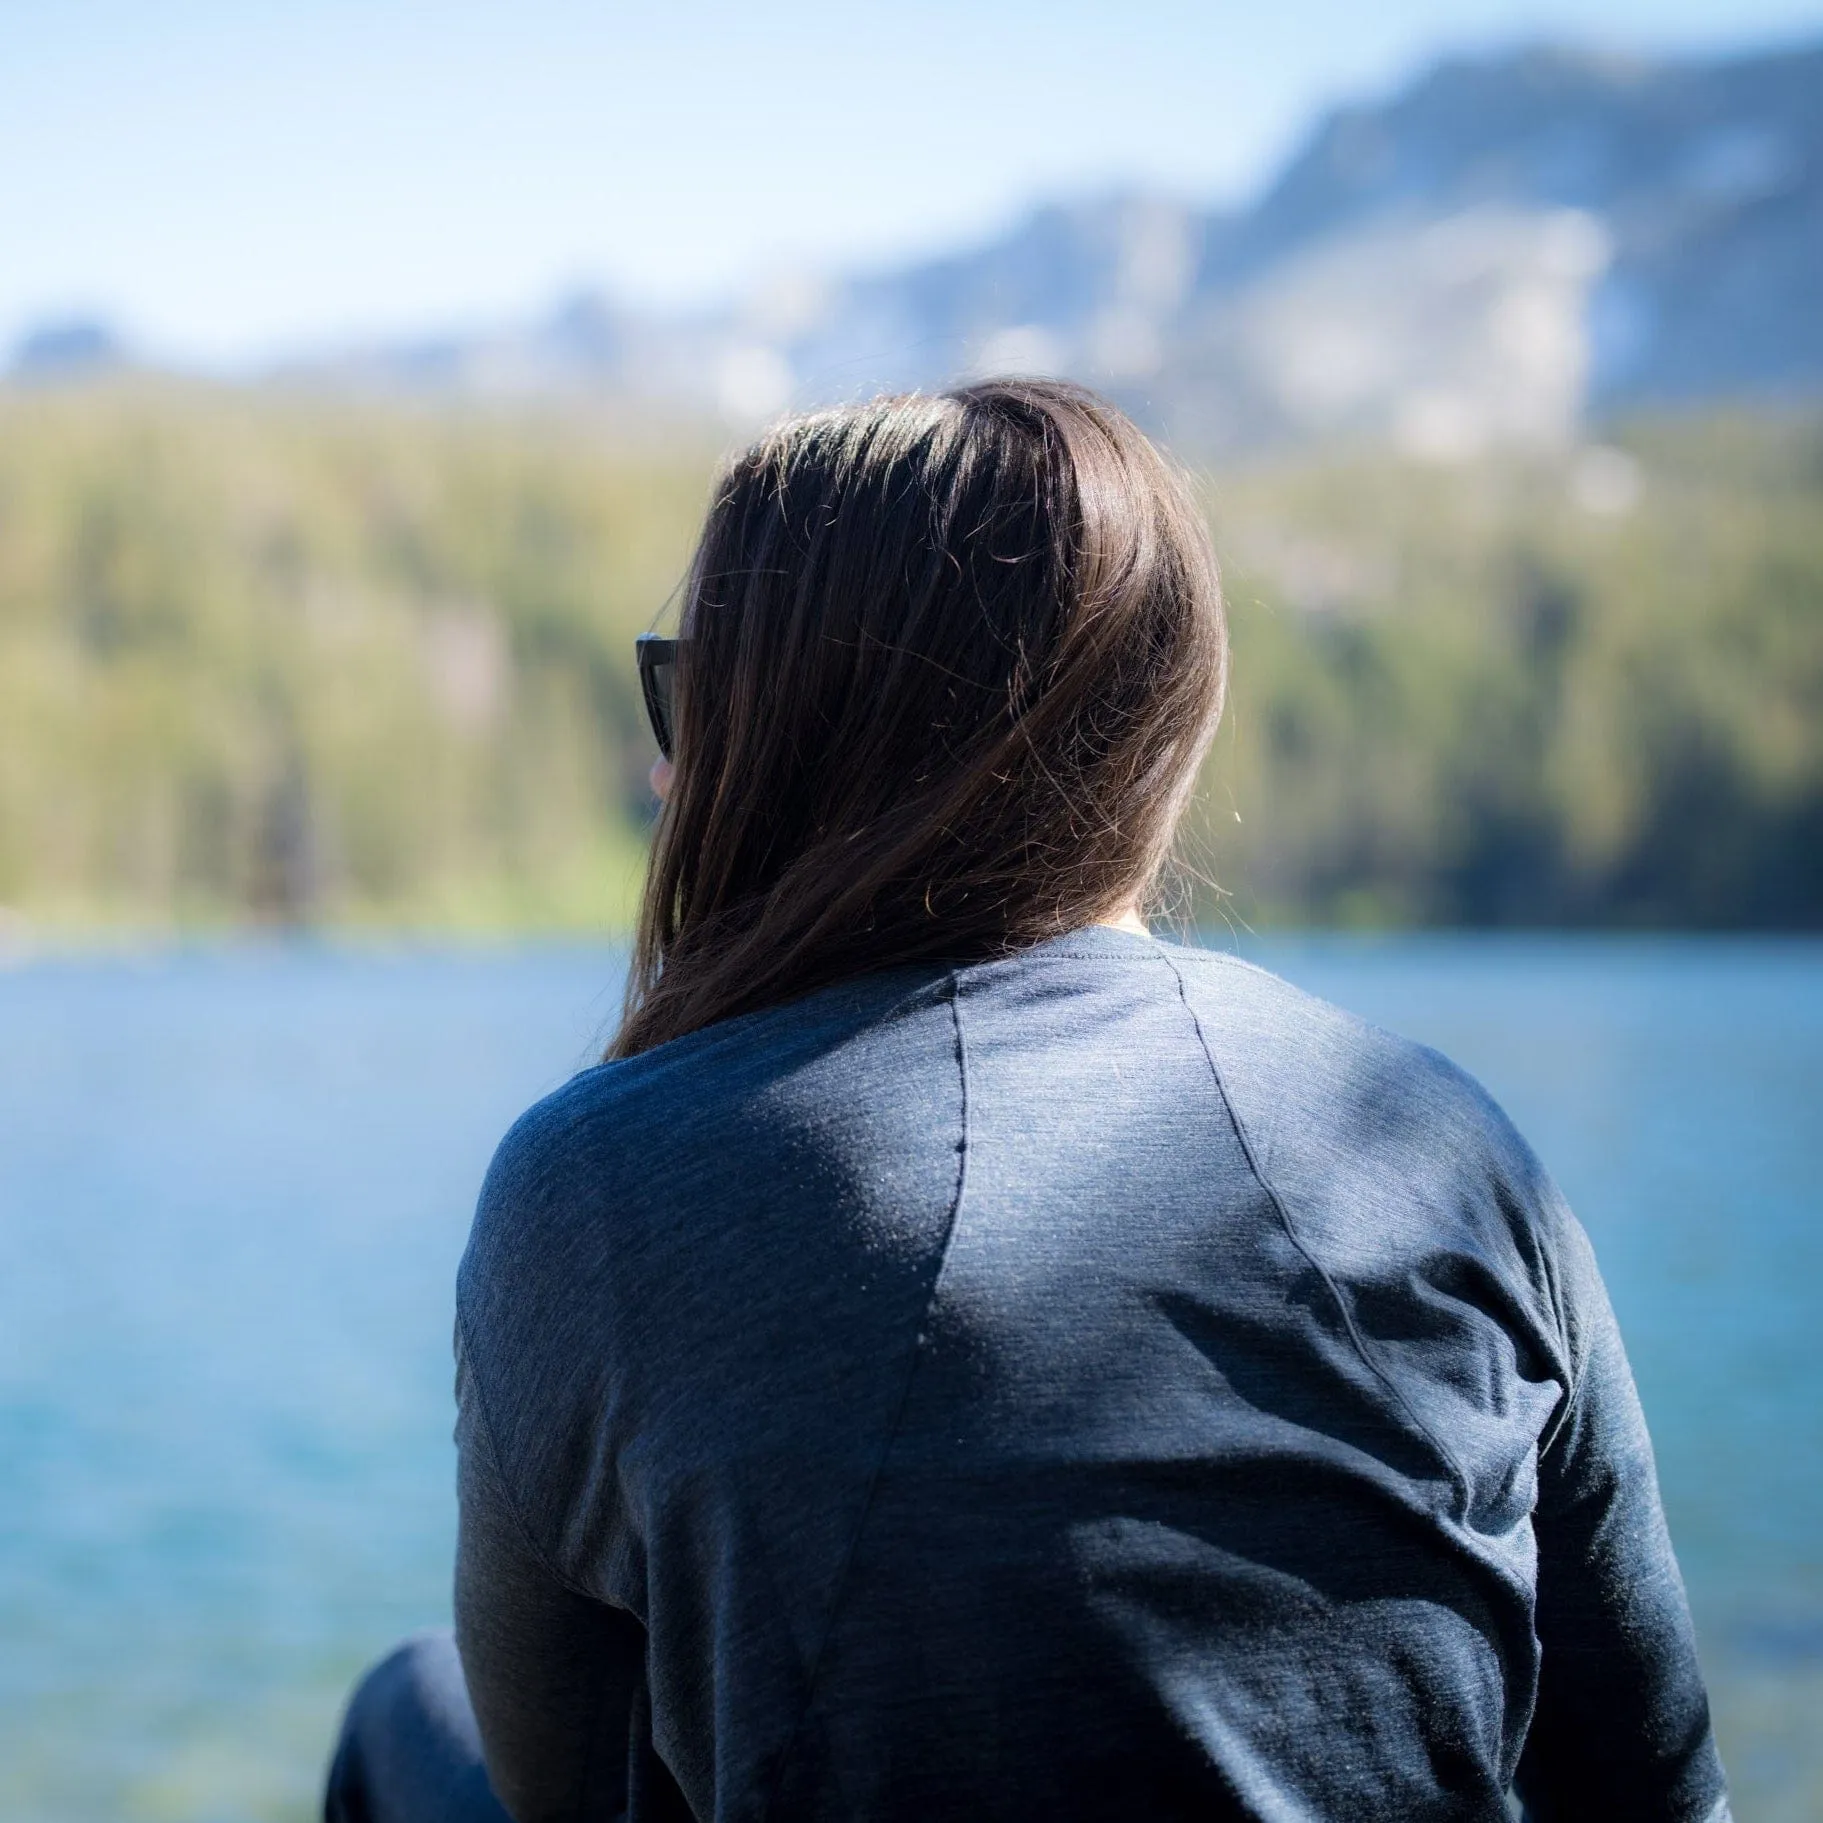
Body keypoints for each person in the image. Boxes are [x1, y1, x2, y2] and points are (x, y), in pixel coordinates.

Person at [325, 380, 1729, 1823]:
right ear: (1157, 726)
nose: (665, 762)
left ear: (783, 734)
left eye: (689, 693)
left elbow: (561, 1783)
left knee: (401, 1716)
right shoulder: (1444, 1145)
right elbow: (1657, 1780)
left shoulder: (594, 1188)